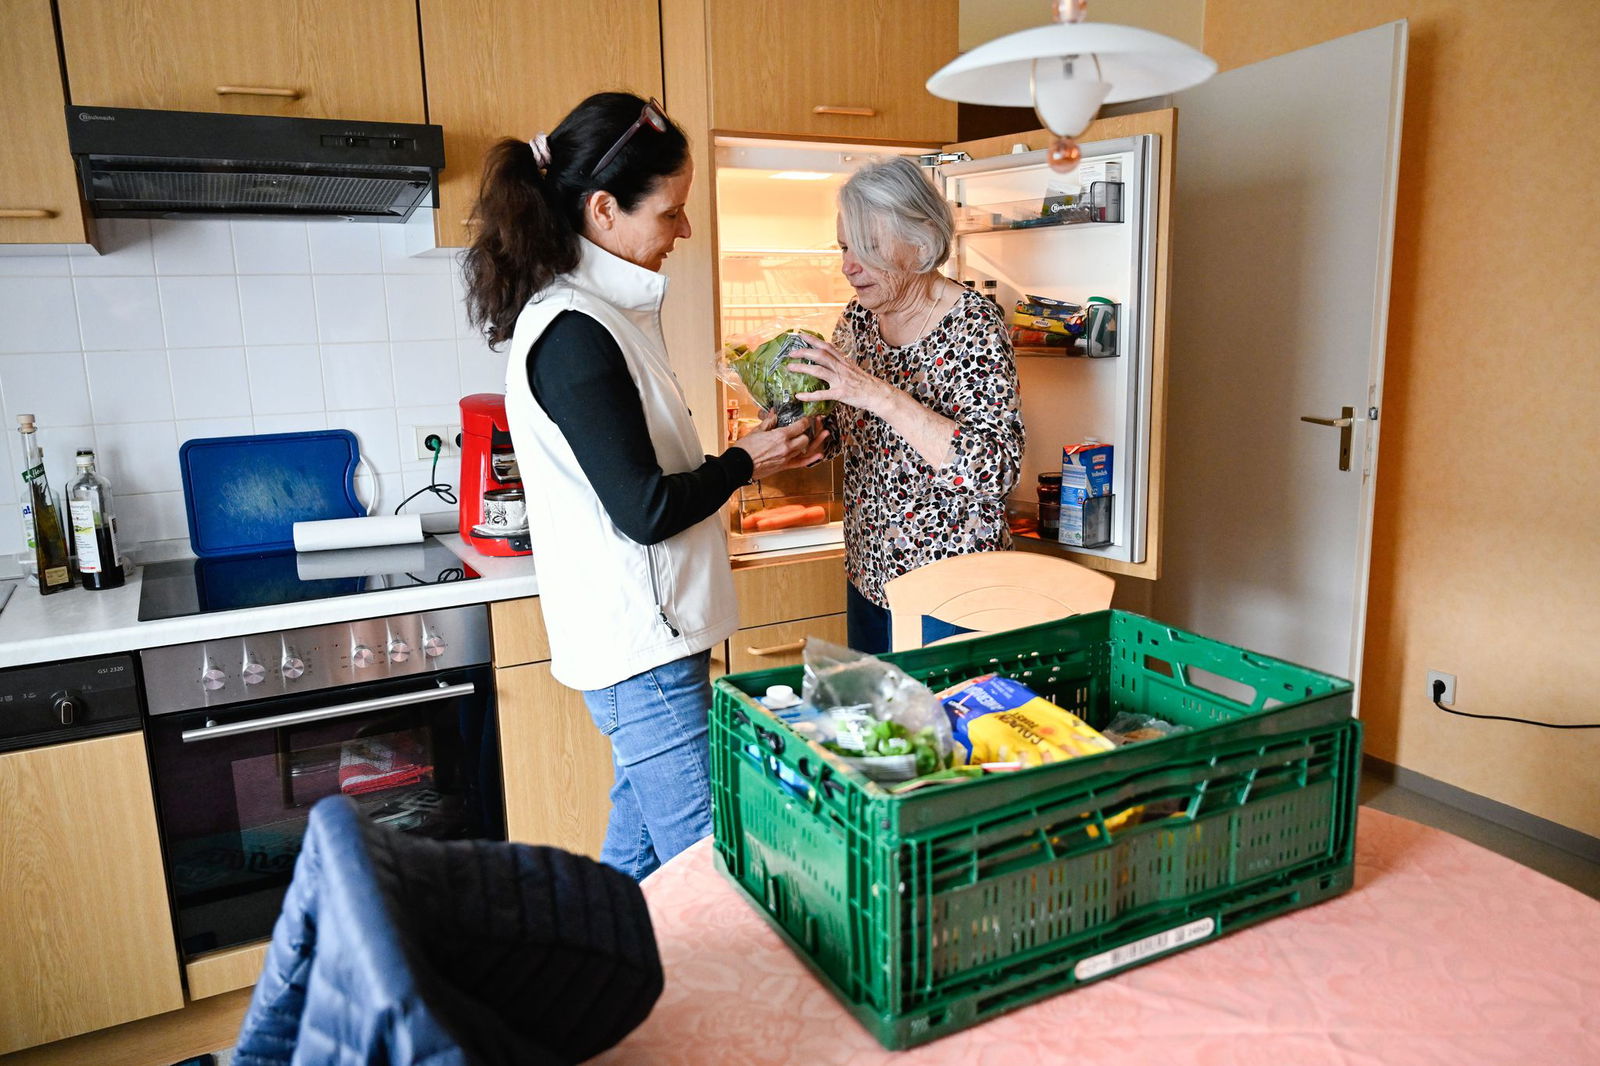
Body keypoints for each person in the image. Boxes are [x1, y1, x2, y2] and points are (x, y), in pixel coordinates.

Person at [460, 92, 823, 880]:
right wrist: (746, 461)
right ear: (603, 209)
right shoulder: (575, 332)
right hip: (642, 651)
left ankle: (584, 992)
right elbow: (646, 511)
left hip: (647, 643)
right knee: (709, 866)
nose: (683, 231)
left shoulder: (601, 316)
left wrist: (755, 456)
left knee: (639, 855)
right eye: (671, 212)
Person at [788, 156, 1024, 654]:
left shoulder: (973, 325)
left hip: (952, 589)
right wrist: (806, 433)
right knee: (884, 729)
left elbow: (995, 470)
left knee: (943, 729)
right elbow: (849, 426)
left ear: (920, 242)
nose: (848, 266)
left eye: (866, 248)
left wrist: (876, 394)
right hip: (869, 573)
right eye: (844, 247)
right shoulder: (858, 318)